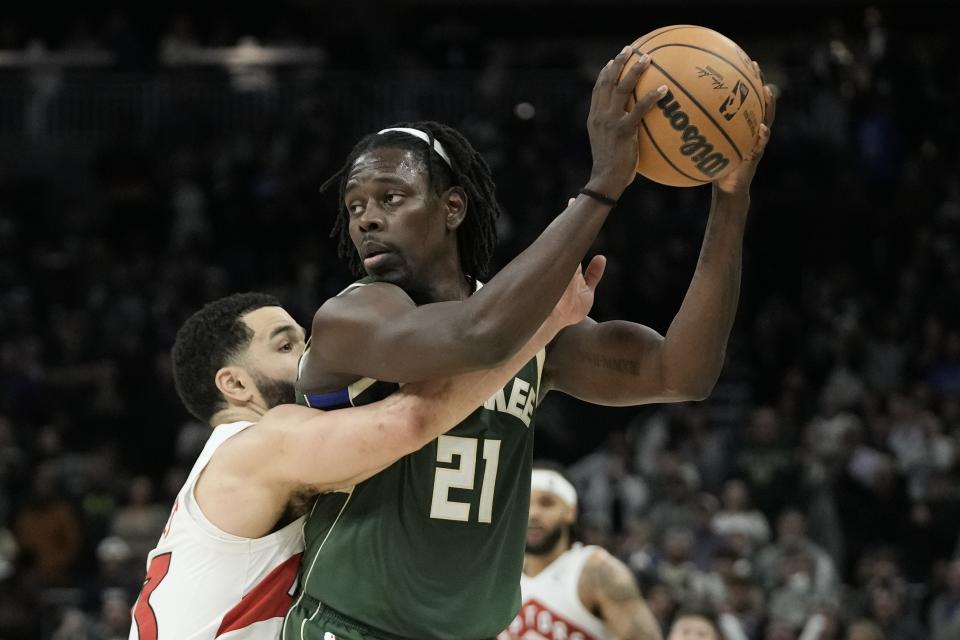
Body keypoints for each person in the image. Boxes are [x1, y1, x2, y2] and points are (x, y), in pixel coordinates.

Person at [286, 45, 776, 640]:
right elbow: (480, 336)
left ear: (453, 208)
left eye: (391, 198)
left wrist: (730, 198)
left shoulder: (528, 329)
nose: (365, 219)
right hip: (354, 629)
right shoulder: (354, 316)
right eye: (355, 206)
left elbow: (682, 374)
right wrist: (602, 187)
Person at [128, 282, 592, 640]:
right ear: (234, 385)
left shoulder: (236, 461)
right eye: (287, 347)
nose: (312, 356)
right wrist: (542, 325)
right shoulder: (259, 447)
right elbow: (411, 420)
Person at [500, 463, 661, 640]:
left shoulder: (597, 571)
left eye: (546, 503)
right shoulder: (500, 577)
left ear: (571, 511)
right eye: (525, 503)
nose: (533, 513)